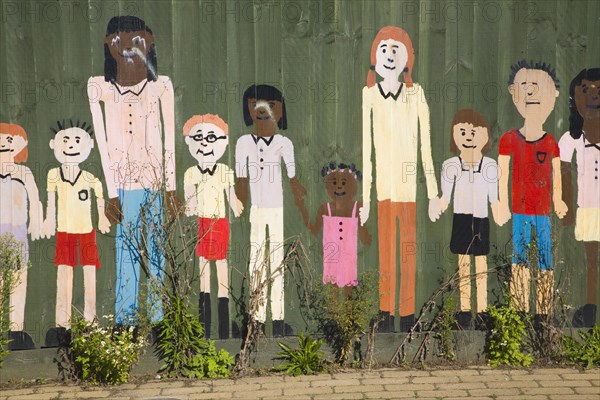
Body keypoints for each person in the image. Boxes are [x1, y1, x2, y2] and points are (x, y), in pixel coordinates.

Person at [87, 16, 180, 323]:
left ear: (149, 43)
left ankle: (156, 317)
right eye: (118, 42)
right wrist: (112, 193)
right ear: (107, 45)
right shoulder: (100, 88)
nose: (126, 48)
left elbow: (167, 142)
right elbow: (102, 142)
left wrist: (170, 188)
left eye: (135, 41)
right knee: (125, 250)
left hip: (154, 182)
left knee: (156, 249)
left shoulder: (160, 87)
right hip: (123, 185)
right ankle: (125, 320)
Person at [361, 26, 442, 332]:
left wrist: (433, 193)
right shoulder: (370, 95)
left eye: (397, 49)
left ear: (408, 57)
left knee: (407, 249)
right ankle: (384, 312)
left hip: (408, 190)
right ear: (375, 58)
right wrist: (366, 200)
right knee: (386, 251)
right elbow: (367, 147)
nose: (390, 54)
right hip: (383, 188)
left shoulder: (415, 94)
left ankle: (406, 313)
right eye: (384, 49)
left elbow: (426, 146)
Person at [497, 60, 568, 319]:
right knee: (520, 259)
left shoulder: (550, 142)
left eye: (538, 87)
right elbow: (502, 173)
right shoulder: (508, 139)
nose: (530, 93)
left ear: (554, 96)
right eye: (524, 86)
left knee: (545, 259)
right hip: (519, 210)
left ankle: (543, 311)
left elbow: (556, 173)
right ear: (512, 92)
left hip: (543, 212)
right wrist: (501, 204)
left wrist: (558, 200)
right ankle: (518, 310)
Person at [235, 84, 307, 337]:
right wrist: (239, 200)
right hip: (256, 208)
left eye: (271, 105)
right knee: (255, 258)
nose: (262, 110)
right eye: (255, 104)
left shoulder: (284, 143)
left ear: (280, 110)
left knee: (276, 259)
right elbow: (240, 174)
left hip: (276, 207)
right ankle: (256, 317)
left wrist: (298, 191)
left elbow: (292, 174)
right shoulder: (244, 142)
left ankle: (277, 318)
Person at [42, 120, 110, 347]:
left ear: (88, 145)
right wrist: (47, 221)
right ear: (54, 144)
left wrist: (102, 218)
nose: (71, 145)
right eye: (66, 140)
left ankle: (90, 321)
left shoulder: (90, 178)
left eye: (77, 140)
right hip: (64, 231)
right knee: (64, 275)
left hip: (86, 231)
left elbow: (100, 197)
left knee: (89, 275)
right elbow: (50, 201)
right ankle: (62, 323)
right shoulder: (53, 175)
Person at [438, 109, 501, 329]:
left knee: (481, 265)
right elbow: (445, 195)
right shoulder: (451, 165)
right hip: (461, 217)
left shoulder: (491, 166)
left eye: (474, 131)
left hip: (481, 218)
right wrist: (438, 204)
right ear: (454, 135)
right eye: (462, 131)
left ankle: (482, 311)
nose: (468, 136)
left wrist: (500, 210)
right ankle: (464, 311)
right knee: (463, 264)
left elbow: (494, 197)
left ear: (485, 136)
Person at [183, 114, 242, 339]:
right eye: (198, 138)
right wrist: (190, 210)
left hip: (219, 223)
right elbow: (190, 201)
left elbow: (231, 195)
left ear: (224, 141)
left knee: (222, 265)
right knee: (203, 267)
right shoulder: (190, 173)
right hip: (202, 222)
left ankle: (223, 323)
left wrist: (236, 205)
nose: (205, 143)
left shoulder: (225, 171)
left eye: (211, 137)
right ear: (190, 142)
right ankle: (205, 322)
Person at [559, 68, 600, 327]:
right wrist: (565, 205)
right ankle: (590, 307)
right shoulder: (572, 139)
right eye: (585, 90)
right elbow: (562, 170)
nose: (593, 96)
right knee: (591, 261)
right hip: (586, 208)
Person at [0, 123, 42, 350]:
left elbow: (34, 198)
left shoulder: (23, 172)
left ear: (20, 144)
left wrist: (37, 222)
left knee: (18, 280)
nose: (4, 144)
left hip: (18, 232)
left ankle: (16, 330)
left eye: (9, 139)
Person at [308, 162, 371, 295]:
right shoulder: (325, 208)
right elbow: (314, 230)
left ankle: (348, 315)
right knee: (333, 290)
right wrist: (302, 208)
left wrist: (367, 237)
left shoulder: (357, 207)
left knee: (349, 289)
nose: (339, 187)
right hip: (331, 257)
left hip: (349, 257)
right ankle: (334, 315)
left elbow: (364, 234)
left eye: (343, 183)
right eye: (335, 183)